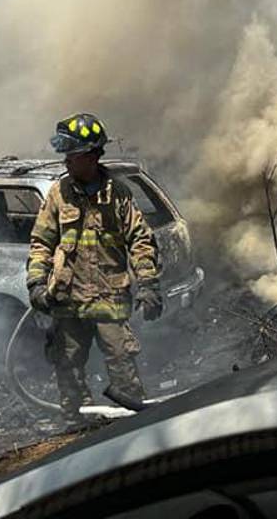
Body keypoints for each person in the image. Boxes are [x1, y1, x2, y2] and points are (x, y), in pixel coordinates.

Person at [26, 112, 162, 421]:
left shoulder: (118, 195)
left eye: (71, 154)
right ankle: (77, 425)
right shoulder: (59, 194)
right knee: (67, 366)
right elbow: (41, 242)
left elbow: (140, 240)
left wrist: (149, 284)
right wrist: (36, 283)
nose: (65, 161)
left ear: (90, 156)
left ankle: (133, 424)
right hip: (67, 299)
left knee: (122, 363)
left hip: (109, 298)